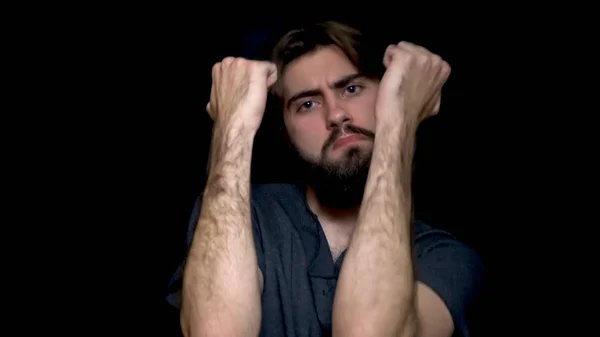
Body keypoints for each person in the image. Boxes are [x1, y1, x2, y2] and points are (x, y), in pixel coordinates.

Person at [166, 21, 484, 337]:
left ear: (386, 93)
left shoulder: (444, 255)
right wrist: (232, 127)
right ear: (286, 134)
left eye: (351, 88)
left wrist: (400, 119)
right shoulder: (240, 214)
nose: (335, 115)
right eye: (307, 104)